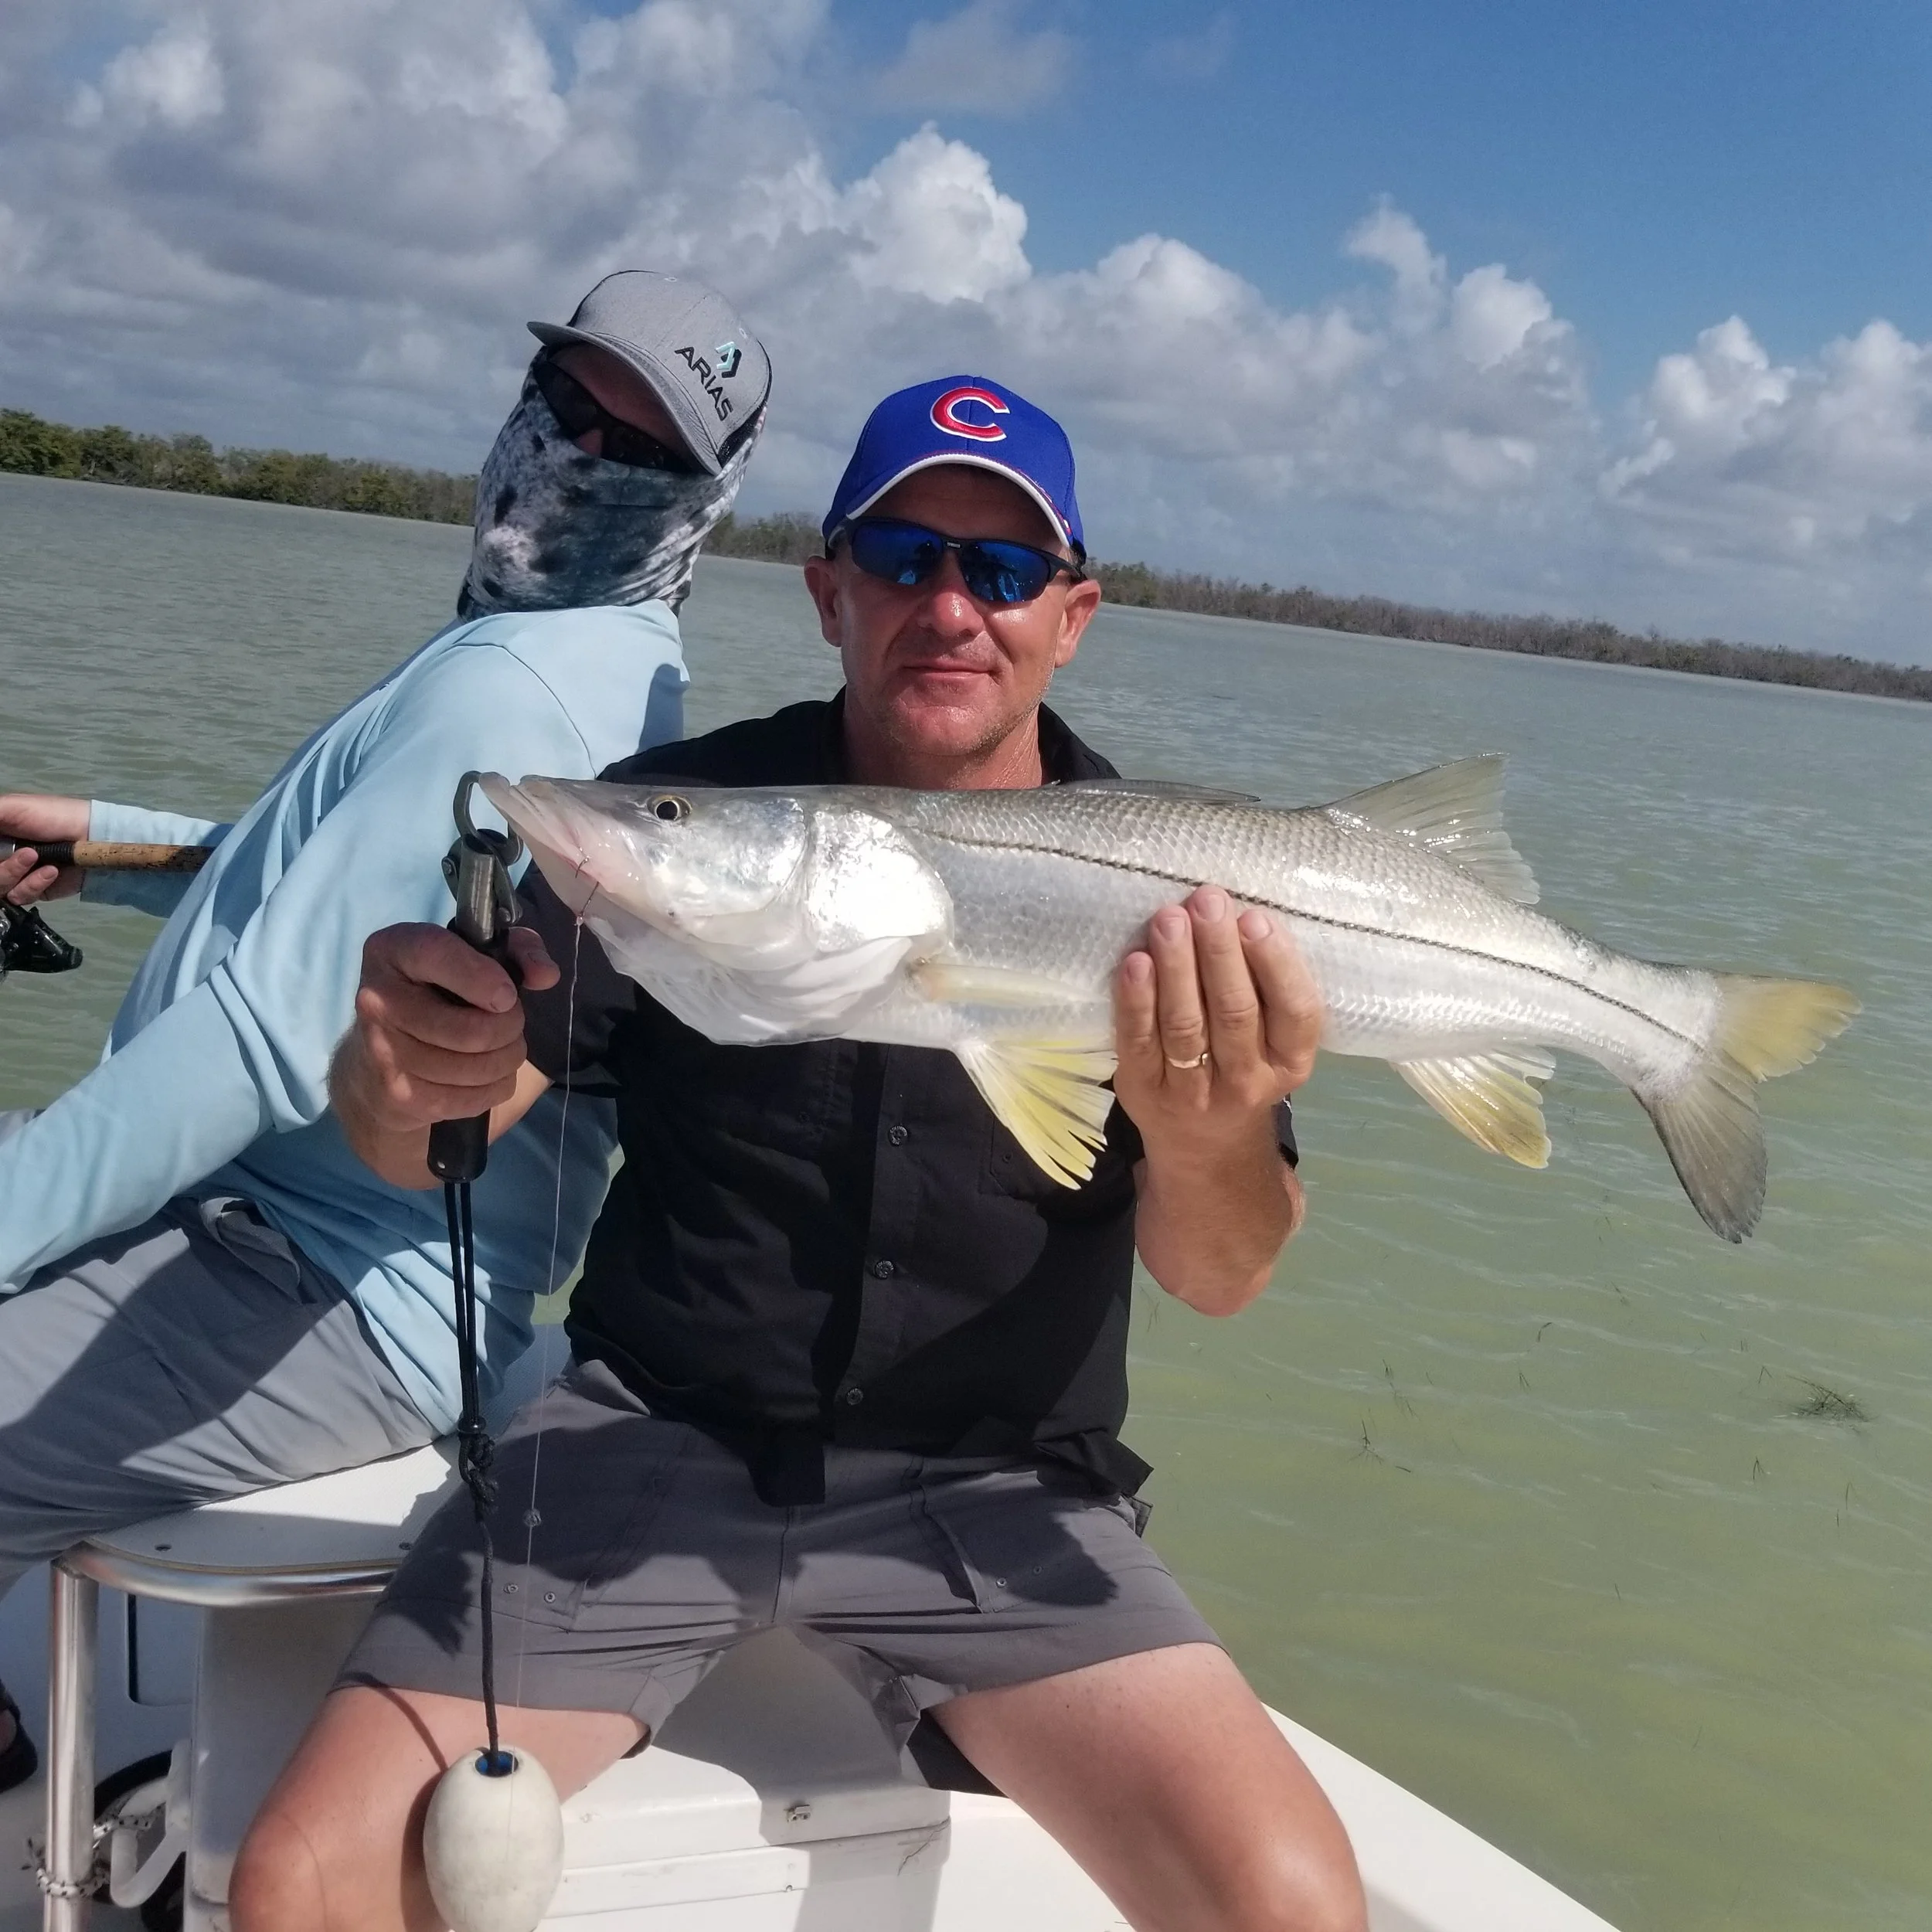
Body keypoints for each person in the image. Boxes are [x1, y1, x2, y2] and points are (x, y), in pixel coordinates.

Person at [246, 376, 1366, 1932]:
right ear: (830, 593)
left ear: (1072, 616)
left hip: (1001, 1484)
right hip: (648, 1439)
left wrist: (1211, 1129)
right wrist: (400, 1066)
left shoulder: (1175, 891)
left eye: (1003, 569)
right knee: (303, 1886)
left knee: (1290, 1902)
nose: (950, 607)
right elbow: (426, 1130)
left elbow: (1223, 1273)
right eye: (903, 557)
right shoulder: (680, 828)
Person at [0, 272, 772, 1784]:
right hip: (289, 1234)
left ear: (704, 504)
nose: (581, 460)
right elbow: (351, 897)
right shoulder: (610, 666)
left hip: (325, 1280)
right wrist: (112, 844)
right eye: (569, 405)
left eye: (640, 451)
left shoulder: (513, 692)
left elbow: (253, 1044)